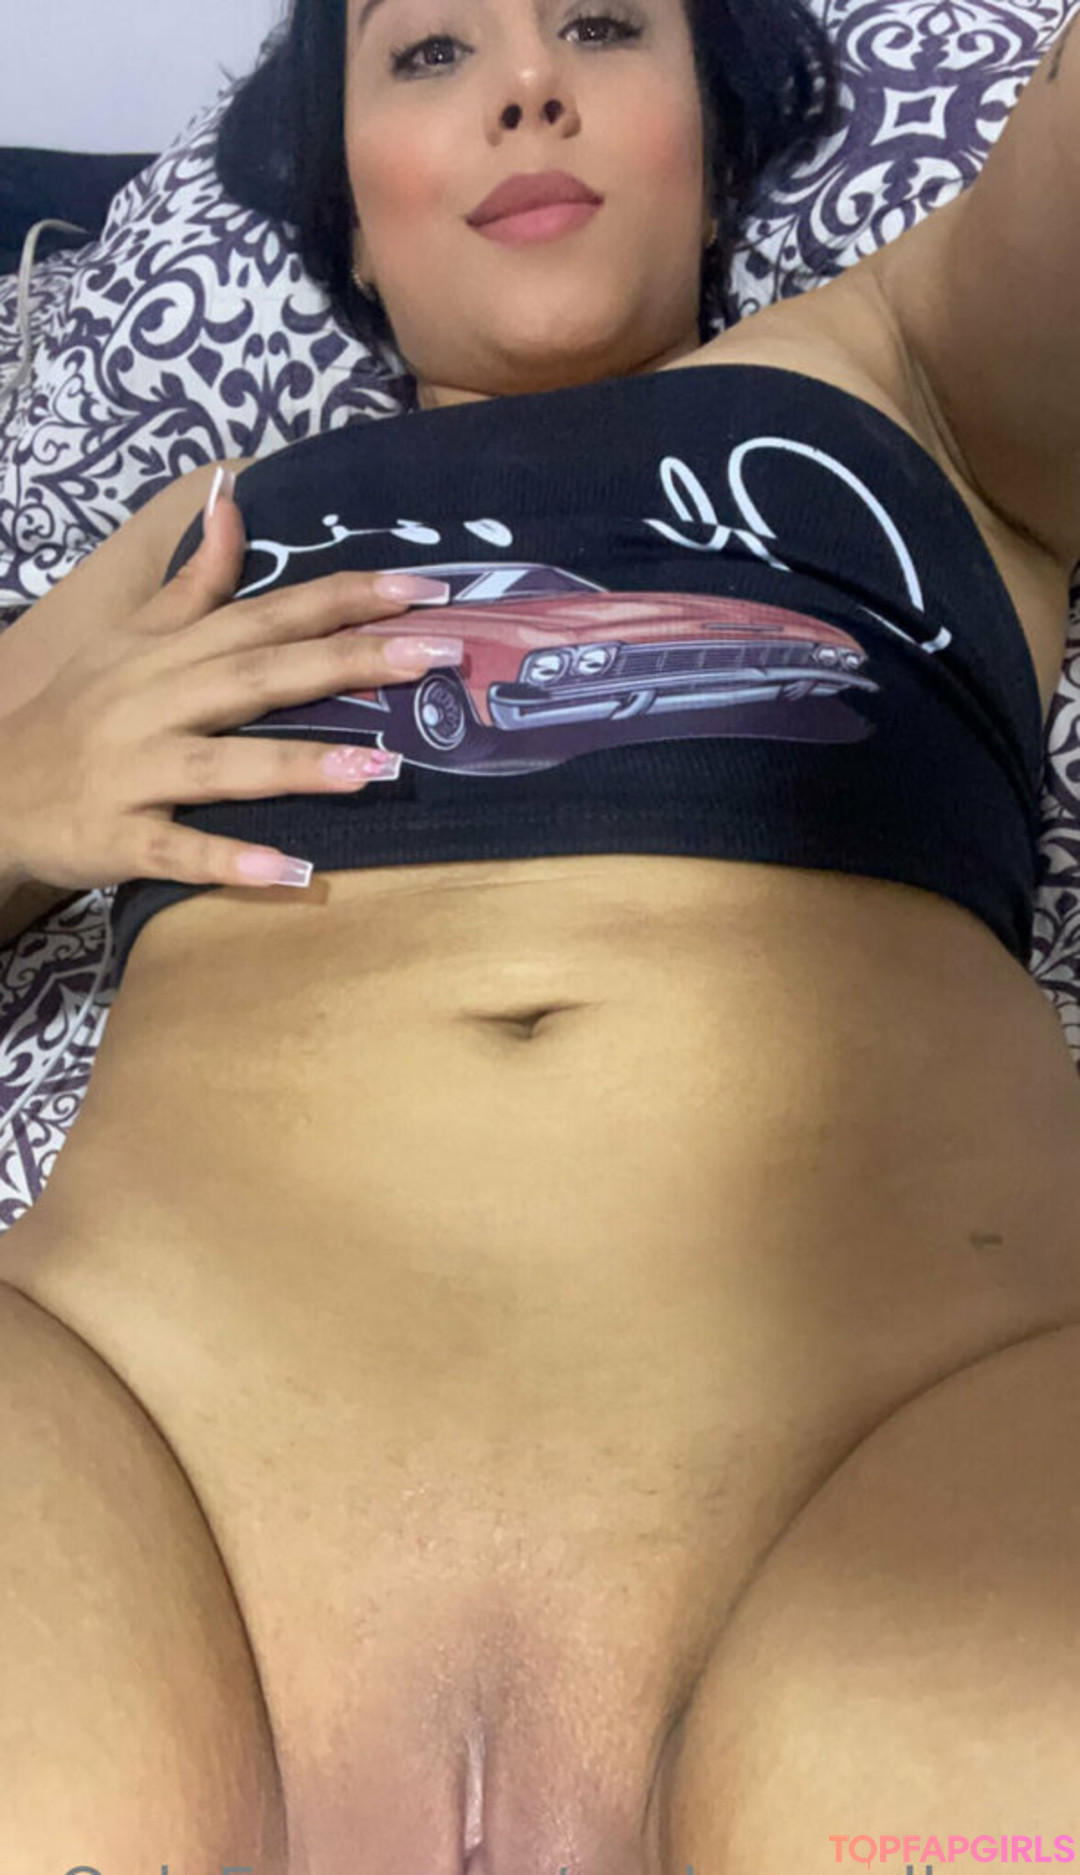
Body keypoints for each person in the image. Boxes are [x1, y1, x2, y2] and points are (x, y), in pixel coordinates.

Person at [1, 0, 1080, 1864]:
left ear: (715, 153)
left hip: (895, 1432)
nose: (525, 82)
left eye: (602, 24)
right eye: (428, 54)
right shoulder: (205, 530)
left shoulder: (903, 368)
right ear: (350, 219)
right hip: (138, 1428)